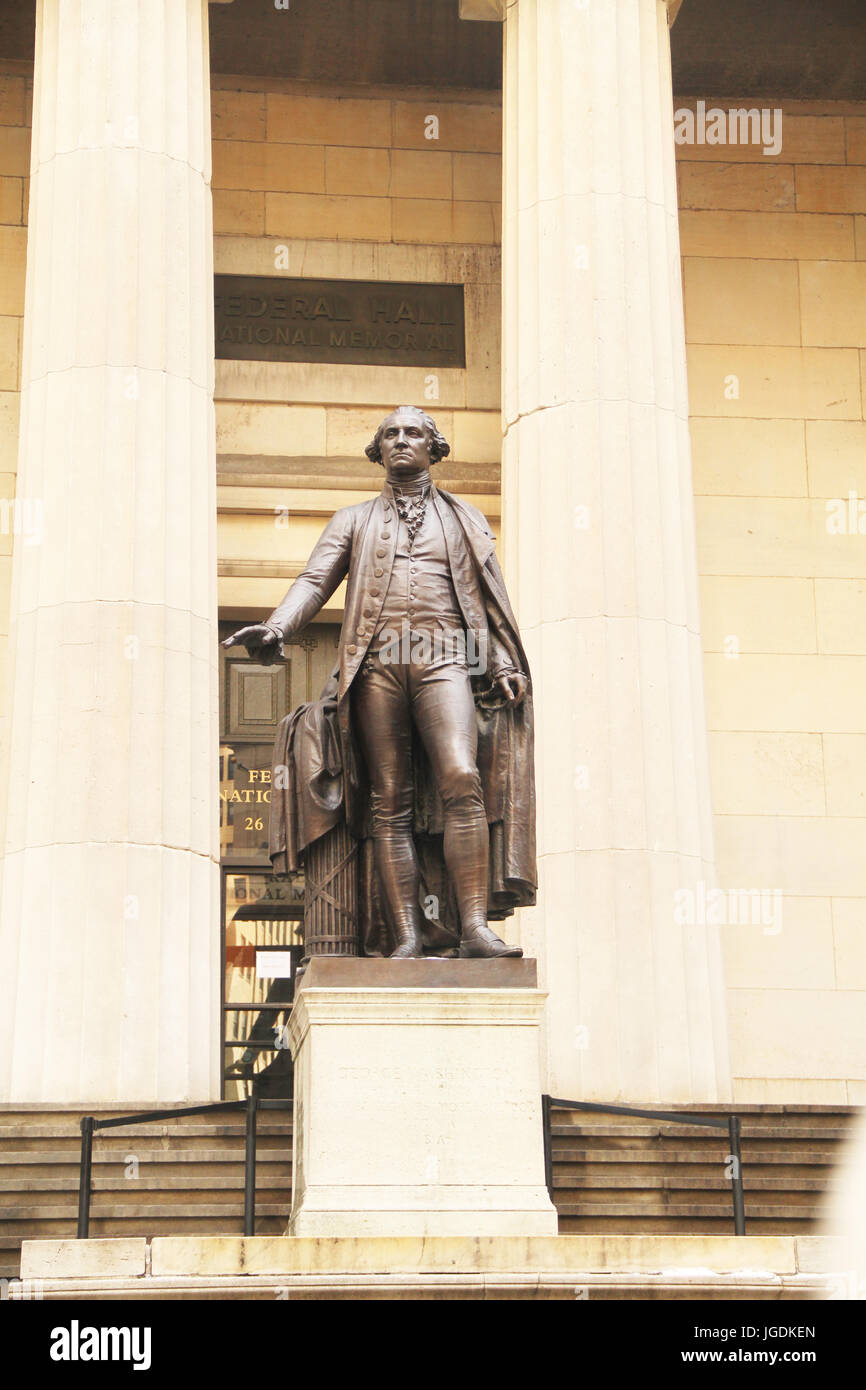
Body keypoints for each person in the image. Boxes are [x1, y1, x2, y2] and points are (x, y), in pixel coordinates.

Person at [224, 406, 536, 959]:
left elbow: (492, 600)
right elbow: (315, 579)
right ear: (378, 449)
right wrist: (277, 626)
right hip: (377, 665)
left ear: (433, 447)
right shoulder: (353, 520)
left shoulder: (466, 519)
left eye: (413, 433)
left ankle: (472, 929)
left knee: (462, 777)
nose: (400, 441)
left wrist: (506, 662)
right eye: (389, 434)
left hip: (445, 660)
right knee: (388, 800)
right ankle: (407, 937)